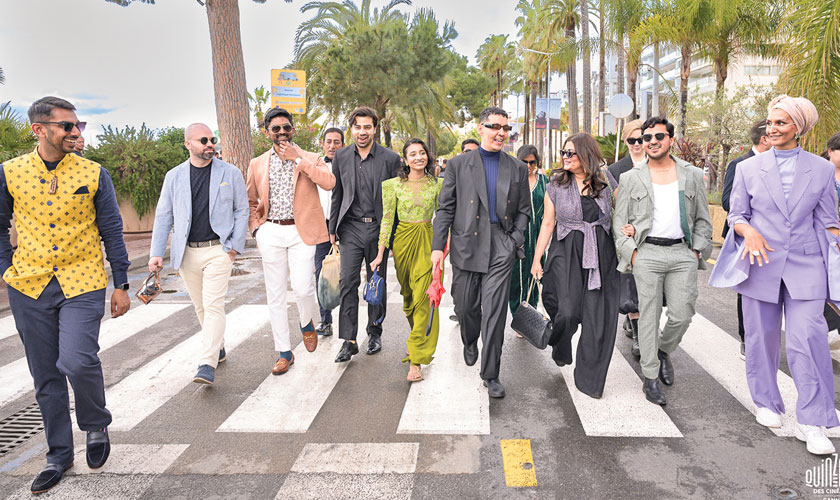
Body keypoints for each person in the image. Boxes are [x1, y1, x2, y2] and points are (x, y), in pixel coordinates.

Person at [0, 96, 130, 493]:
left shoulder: (94, 173)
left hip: (83, 281)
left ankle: (95, 425)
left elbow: (111, 229)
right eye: (67, 126)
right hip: (29, 285)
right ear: (39, 130)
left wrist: (121, 282)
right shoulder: (9, 172)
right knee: (45, 374)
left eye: (79, 126)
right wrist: (6, 269)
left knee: (76, 359)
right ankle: (58, 454)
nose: (76, 132)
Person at [711, 96, 840, 455]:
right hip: (760, 262)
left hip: (807, 265)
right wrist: (748, 231)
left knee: (808, 340)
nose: (772, 129)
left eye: (781, 123)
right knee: (761, 338)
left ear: (799, 128)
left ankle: (812, 420)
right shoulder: (748, 168)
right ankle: (766, 401)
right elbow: (736, 215)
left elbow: (828, 221)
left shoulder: (821, 169)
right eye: (770, 123)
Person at [613, 116, 713, 406]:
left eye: (659, 136)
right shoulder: (631, 178)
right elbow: (619, 222)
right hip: (647, 253)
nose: (652, 142)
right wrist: (632, 253)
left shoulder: (691, 174)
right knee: (648, 315)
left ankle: (662, 350)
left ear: (671, 139)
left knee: (683, 313)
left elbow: (703, 220)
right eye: (647, 138)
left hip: (682, 253)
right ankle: (650, 377)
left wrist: (696, 252)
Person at [432, 106, 530, 398]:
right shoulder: (458, 165)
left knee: (495, 313)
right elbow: (446, 208)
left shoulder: (517, 168)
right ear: (480, 128)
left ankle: (491, 374)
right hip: (467, 243)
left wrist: (514, 240)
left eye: (505, 128)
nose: (501, 133)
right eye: (494, 127)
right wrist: (438, 247)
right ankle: (469, 338)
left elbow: (524, 210)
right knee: (465, 307)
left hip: (501, 243)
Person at [149, 123, 248, 385]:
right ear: (188, 144)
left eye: (212, 139)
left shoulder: (230, 172)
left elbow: (241, 209)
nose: (209, 144)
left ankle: (207, 363)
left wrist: (234, 246)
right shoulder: (174, 176)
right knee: (201, 306)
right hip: (187, 252)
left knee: (214, 304)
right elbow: (164, 215)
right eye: (203, 140)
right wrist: (156, 252)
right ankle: (218, 346)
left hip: (218, 249)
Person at [246, 108, 336, 375]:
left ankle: (306, 322)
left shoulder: (311, 157)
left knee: (303, 288)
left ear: (293, 129)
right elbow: (250, 200)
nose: (282, 132)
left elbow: (329, 182)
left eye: (286, 127)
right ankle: (284, 352)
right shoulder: (257, 163)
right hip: (271, 231)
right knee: (275, 294)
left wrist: (298, 159)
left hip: (301, 232)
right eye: (276, 129)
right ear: (267, 133)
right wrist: (257, 230)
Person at [531, 133, 619, 398]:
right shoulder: (556, 184)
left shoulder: (605, 181)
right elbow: (548, 223)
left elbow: (622, 211)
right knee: (567, 312)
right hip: (566, 251)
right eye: (564, 152)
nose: (565, 157)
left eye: (571, 153)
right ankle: (560, 344)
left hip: (601, 254)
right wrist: (537, 259)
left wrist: (629, 229)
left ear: (586, 155)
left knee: (597, 319)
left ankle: (589, 381)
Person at [329, 107, 401, 363]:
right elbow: (337, 194)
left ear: (374, 129)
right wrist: (332, 229)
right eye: (358, 127)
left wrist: (392, 236)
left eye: (367, 127)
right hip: (350, 228)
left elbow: (395, 200)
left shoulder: (390, 159)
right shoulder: (341, 156)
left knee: (376, 282)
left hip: (379, 230)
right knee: (348, 282)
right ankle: (348, 340)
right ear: (352, 129)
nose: (362, 132)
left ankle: (374, 332)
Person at [370, 139, 443, 382]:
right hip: (402, 241)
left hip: (428, 241)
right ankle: (416, 337)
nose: (418, 157)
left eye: (422, 153)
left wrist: (445, 246)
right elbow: (387, 220)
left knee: (425, 298)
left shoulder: (438, 184)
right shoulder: (393, 186)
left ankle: (416, 359)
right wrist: (380, 253)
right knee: (410, 297)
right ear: (405, 159)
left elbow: (444, 217)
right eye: (413, 154)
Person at [720, 120, 770, 360]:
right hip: (745, 237)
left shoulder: (777, 166)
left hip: (773, 239)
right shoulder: (739, 164)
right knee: (746, 289)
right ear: (764, 139)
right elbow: (727, 202)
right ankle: (746, 339)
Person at [607, 119, 646, 357]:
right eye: (632, 140)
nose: (637, 144)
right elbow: (615, 206)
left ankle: (636, 323)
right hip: (627, 236)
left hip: (652, 235)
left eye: (641, 139)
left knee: (650, 287)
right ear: (625, 141)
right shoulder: (615, 170)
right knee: (632, 287)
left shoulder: (660, 165)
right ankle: (640, 336)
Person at [509, 145, 547, 316]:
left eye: (532, 162)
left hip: (537, 234)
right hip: (516, 235)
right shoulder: (511, 180)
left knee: (535, 275)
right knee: (515, 279)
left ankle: (529, 316)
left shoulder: (544, 181)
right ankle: (517, 315)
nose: (529, 166)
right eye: (524, 162)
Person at [314, 127, 344, 337]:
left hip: (346, 224)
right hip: (322, 226)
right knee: (322, 273)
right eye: (329, 142)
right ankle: (325, 320)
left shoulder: (350, 164)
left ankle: (349, 324)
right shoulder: (316, 166)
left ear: (343, 144)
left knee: (347, 275)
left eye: (337, 142)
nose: (332, 146)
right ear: (322, 144)